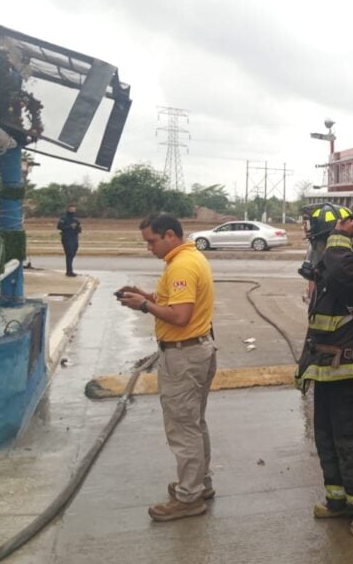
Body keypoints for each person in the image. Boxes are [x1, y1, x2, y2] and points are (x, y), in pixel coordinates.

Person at [117, 213, 217, 522]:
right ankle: (200, 484)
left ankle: (189, 498)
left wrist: (144, 306)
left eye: (152, 241)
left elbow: (180, 316)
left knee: (183, 427)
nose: (149, 247)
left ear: (170, 235)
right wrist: (146, 296)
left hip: (184, 355)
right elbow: (174, 302)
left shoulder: (182, 266)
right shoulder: (189, 257)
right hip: (197, 350)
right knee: (194, 423)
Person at [297, 203, 353, 537]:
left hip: (352, 374)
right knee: (328, 438)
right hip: (326, 372)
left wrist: (338, 241)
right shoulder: (327, 271)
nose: (317, 249)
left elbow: (344, 275)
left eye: (322, 242)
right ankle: (339, 501)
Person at [56, 203, 82, 277]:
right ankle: (69, 271)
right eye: (71, 209)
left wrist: (77, 228)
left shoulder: (76, 219)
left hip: (74, 237)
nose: (72, 210)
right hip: (67, 237)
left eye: (74, 209)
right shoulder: (63, 218)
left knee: (73, 253)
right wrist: (70, 227)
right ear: (68, 209)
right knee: (69, 254)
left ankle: (70, 269)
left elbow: (79, 229)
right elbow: (59, 227)